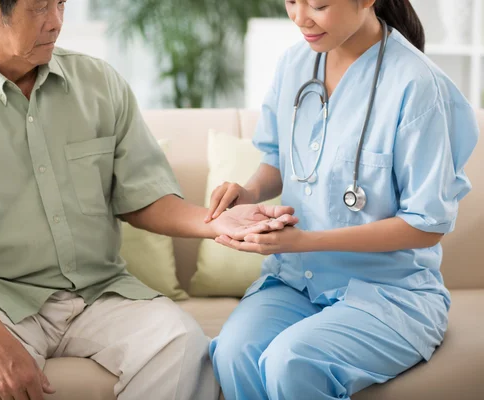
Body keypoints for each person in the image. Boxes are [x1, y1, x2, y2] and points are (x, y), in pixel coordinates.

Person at [0, 0, 297, 399]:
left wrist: (214, 222)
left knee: (181, 342)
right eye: (38, 8)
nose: (55, 22)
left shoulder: (99, 83)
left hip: (94, 292)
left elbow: (142, 197)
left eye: (61, 4)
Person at [206, 0, 480, 399]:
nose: (300, 18)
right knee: (233, 353)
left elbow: (426, 225)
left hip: (390, 295)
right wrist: (246, 193)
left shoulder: (417, 86)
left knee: (291, 361)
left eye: (318, 5)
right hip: (297, 283)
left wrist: (307, 242)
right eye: (291, 1)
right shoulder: (294, 65)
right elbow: (278, 160)